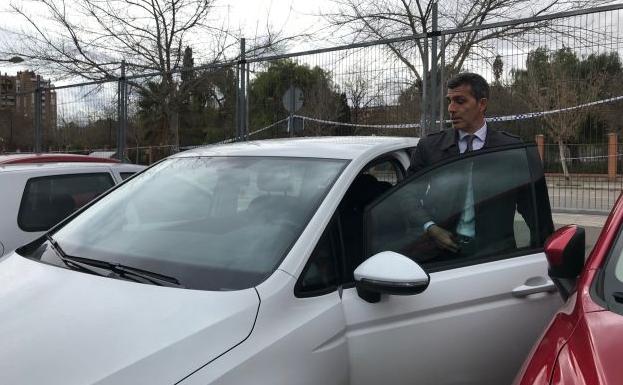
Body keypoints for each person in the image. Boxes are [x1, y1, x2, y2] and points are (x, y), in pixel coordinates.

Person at [407, 72, 548, 260]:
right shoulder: (430, 147)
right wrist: (430, 227)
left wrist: (542, 261)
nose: (451, 108)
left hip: (494, 259)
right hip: (439, 260)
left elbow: (538, 216)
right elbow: (406, 195)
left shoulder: (512, 152)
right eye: (449, 101)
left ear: (482, 104)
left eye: (460, 101)